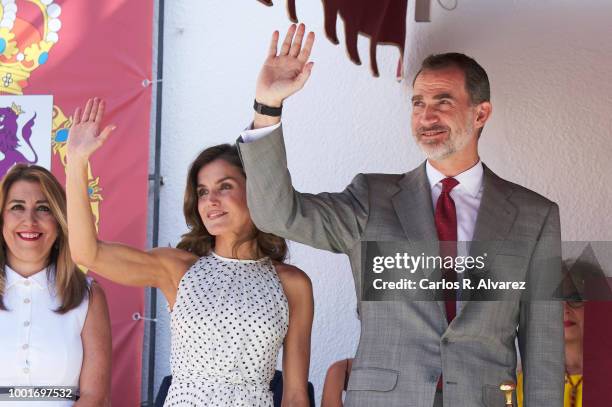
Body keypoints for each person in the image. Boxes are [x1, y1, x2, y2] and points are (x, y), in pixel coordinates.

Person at [237, 24, 564, 406]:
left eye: (443, 101)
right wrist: (267, 108)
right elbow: (279, 215)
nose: (427, 116)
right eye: (418, 103)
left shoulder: (534, 215)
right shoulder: (372, 198)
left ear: (481, 113)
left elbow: (543, 348)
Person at [65, 98, 314, 406]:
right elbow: (87, 254)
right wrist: (76, 162)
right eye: (202, 191)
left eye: (224, 187)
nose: (211, 200)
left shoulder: (293, 283)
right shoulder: (179, 269)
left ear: (255, 191)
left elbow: (295, 394)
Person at [0, 164, 111, 406]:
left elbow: (95, 397)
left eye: (43, 208)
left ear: (60, 223)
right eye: (17, 207)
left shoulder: (88, 296)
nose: (29, 220)